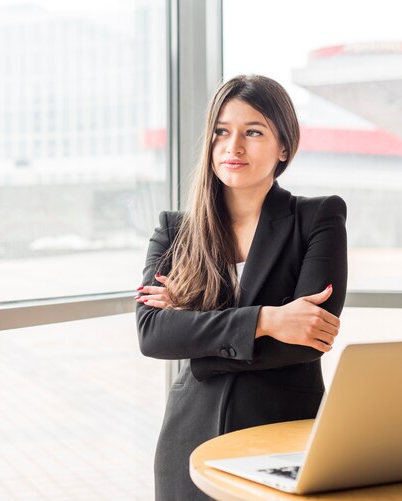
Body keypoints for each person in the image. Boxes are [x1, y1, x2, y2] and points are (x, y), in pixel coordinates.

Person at [135, 74, 347, 500]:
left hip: (283, 434)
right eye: (221, 133)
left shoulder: (318, 219)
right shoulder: (175, 231)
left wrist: (196, 335)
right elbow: (153, 335)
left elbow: (306, 340)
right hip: (189, 438)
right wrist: (269, 318)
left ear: (283, 146)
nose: (233, 147)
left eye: (253, 132)